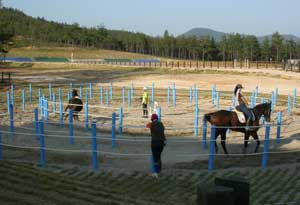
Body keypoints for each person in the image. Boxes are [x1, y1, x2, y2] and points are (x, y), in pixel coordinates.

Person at [146, 113, 166, 178]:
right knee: (159, 157)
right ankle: (159, 171)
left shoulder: (151, 124)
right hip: (162, 142)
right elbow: (163, 128)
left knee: (155, 158)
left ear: (152, 119)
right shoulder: (161, 124)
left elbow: (147, 125)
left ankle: (156, 172)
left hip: (155, 142)